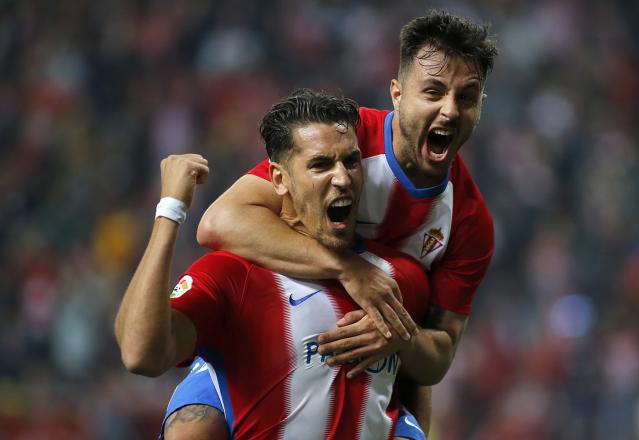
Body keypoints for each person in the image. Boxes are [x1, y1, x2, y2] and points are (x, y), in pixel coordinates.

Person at [194, 9, 498, 434]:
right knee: (194, 424)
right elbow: (219, 222)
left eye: (466, 97)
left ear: (480, 106)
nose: (449, 110)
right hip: (266, 343)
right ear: (397, 93)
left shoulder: (470, 223)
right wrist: (350, 269)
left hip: (366, 373)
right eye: (433, 92)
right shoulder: (342, 141)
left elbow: (439, 354)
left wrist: (402, 338)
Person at [116, 89, 439, 439]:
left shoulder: (396, 276)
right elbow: (140, 354)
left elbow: (419, 379)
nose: (343, 178)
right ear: (279, 179)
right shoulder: (233, 275)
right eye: (321, 164)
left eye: (350, 161)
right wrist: (169, 212)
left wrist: (405, 343)